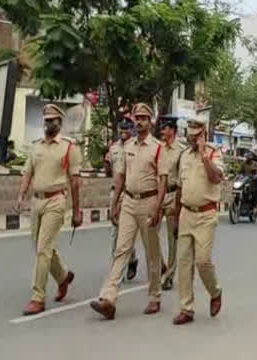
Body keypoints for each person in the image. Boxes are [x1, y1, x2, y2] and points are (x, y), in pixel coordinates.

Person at [91, 103, 165, 320]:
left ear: (150, 121)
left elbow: (163, 181)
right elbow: (120, 176)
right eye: (137, 117)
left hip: (149, 202)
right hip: (129, 202)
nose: (140, 121)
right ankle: (109, 298)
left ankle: (154, 296)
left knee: (152, 252)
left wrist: (158, 207)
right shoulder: (127, 146)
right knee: (121, 250)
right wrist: (115, 204)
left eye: (144, 117)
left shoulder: (158, 148)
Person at [17, 104, 83, 315]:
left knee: (43, 249)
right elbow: (28, 173)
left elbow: (75, 181)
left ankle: (38, 297)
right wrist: (21, 195)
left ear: (60, 123)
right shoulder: (36, 146)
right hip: (37, 201)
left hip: (56, 201)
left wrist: (77, 210)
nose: (48, 124)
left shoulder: (69, 147)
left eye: (52, 120)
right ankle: (63, 277)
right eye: (46, 120)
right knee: (41, 246)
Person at [171, 117, 225, 325]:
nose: (193, 140)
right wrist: (175, 216)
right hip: (186, 213)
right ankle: (186, 308)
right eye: (190, 136)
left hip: (206, 214)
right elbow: (179, 187)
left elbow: (215, 177)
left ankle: (215, 291)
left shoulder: (213, 152)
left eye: (197, 136)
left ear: (204, 134)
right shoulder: (183, 155)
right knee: (184, 262)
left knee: (202, 261)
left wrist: (203, 155)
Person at [107, 116, 139, 281]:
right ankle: (117, 267)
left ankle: (130, 260)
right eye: (121, 128)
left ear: (132, 130)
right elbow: (112, 169)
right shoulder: (113, 148)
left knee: (126, 231)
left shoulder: (136, 147)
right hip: (115, 192)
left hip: (129, 193)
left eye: (127, 129)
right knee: (115, 231)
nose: (123, 132)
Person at [157, 114, 186, 292]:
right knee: (151, 232)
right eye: (162, 128)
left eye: (166, 128)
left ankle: (169, 274)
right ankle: (161, 264)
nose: (163, 131)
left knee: (172, 237)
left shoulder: (181, 150)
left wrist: (178, 204)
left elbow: (182, 177)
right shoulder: (158, 148)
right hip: (158, 193)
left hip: (174, 194)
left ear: (173, 130)